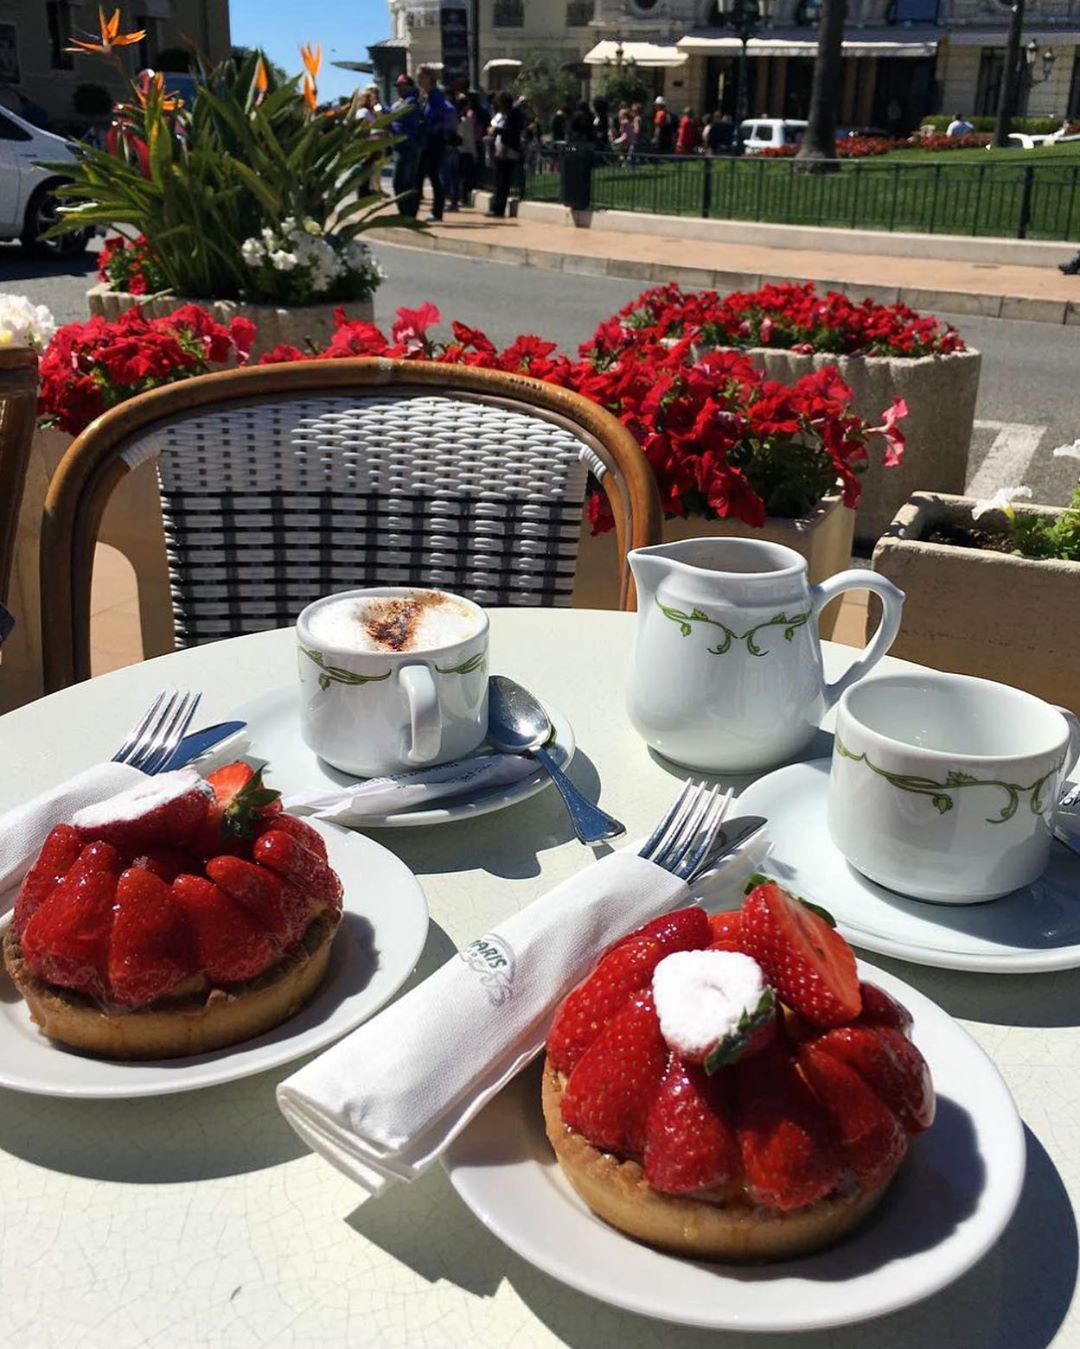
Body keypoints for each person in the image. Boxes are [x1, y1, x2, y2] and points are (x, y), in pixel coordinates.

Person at [415, 64, 453, 222]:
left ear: (429, 78)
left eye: (421, 77)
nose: (418, 80)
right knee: (424, 175)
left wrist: (432, 128)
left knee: (431, 175)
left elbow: (440, 115)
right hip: (428, 141)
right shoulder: (427, 96)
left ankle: (436, 211)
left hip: (433, 141)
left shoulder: (435, 96)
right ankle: (418, 210)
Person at [390, 73, 424, 218]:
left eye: (401, 86)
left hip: (408, 147)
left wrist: (385, 115)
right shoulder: (401, 103)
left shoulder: (411, 103)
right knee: (400, 182)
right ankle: (404, 212)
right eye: (397, 86)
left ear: (409, 87)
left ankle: (408, 212)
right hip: (400, 147)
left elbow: (399, 120)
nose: (398, 89)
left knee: (405, 182)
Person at [486, 89, 524, 218]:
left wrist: (496, 130)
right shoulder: (506, 115)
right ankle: (496, 207)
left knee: (503, 182)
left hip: (508, 152)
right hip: (502, 151)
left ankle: (498, 209)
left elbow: (511, 133)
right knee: (498, 181)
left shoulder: (514, 115)